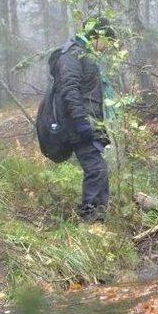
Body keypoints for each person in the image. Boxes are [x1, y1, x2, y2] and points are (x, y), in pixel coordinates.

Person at [51, 18, 114, 222]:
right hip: (79, 124)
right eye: (108, 42)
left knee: (99, 170)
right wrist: (81, 121)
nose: (108, 48)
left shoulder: (84, 54)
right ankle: (91, 222)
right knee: (96, 170)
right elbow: (69, 88)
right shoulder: (73, 54)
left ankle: (98, 220)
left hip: (88, 122)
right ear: (97, 37)